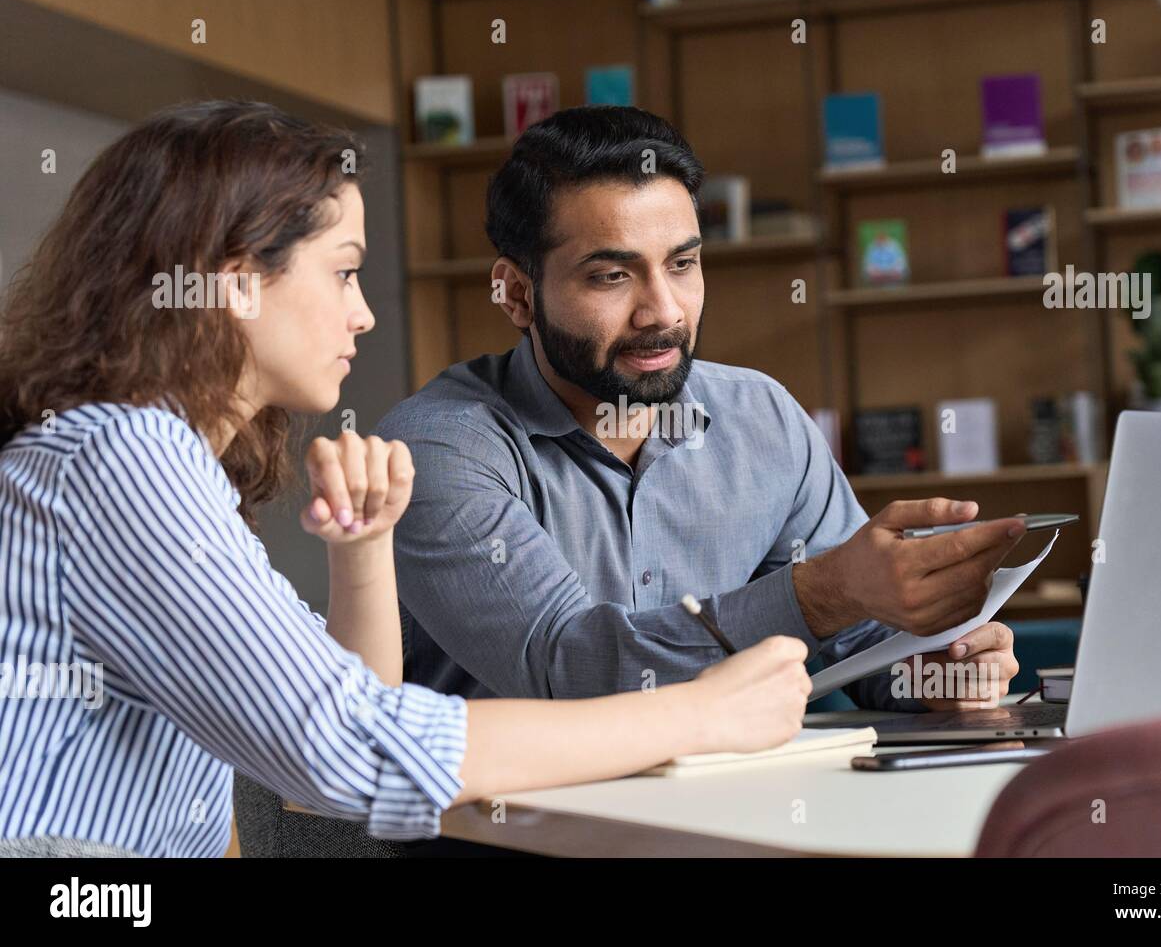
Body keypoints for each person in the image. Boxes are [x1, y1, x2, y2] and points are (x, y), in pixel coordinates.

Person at [0, 101, 812, 858]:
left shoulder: (141, 460)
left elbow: (343, 742)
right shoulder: (123, 458)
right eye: (343, 272)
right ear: (236, 281)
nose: (364, 314)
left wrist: (363, 552)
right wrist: (699, 713)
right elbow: (353, 753)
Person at [377, 105, 1025, 713]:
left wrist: (940, 666)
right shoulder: (438, 449)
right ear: (518, 294)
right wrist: (824, 590)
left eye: (682, 263)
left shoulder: (762, 420)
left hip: (734, 815)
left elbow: (857, 648)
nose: (664, 311)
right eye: (612, 276)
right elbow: (568, 669)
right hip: (504, 829)